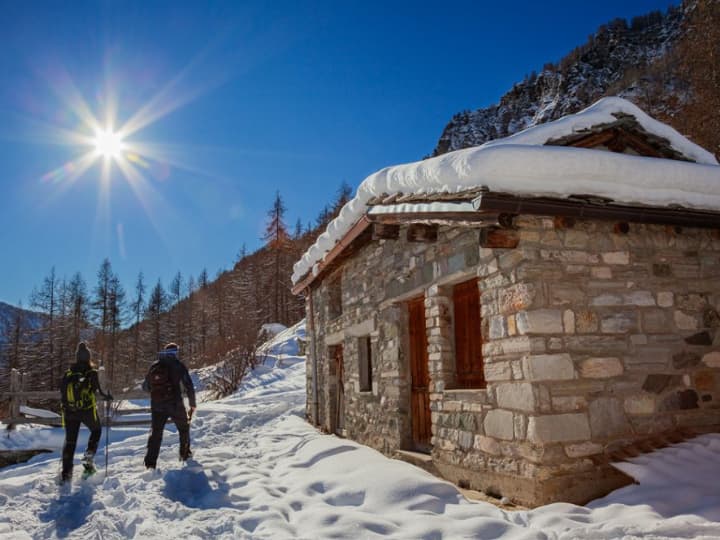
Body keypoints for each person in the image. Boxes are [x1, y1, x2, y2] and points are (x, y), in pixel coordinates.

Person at [60, 342, 112, 482]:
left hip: (70, 412)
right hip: (87, 410)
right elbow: (98, 392)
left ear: (77, 357)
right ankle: (89, 457)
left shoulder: (69, 373)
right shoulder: (92, 372)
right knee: (96, 430)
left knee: (70, 442)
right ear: (88, 357)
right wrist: (107, 396)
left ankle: (66, 476)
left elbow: (62, 393)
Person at [143, 342, 196, 469]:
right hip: (175, 404)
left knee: (156, 433)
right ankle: (185, 454)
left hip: (157, 406)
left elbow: (145, 386)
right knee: (183, 429)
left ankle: (150, 463)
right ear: (175, 352)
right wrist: (192, 403)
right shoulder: (179, 366)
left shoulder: (155, 365)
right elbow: (188, 385)